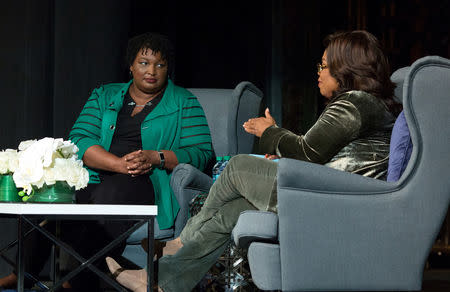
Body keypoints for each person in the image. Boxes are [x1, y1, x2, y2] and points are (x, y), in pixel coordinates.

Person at [105, 30, 401, 292]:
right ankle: (159, 282)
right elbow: (316, 152)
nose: (319, 72)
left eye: (324, 66)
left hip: (332, 198)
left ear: (345, 70)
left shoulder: (354, 103)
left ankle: (184, 239)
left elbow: (309, 153)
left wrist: (268, 132)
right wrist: (280, 141)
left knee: (238, 166)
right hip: (327, 192)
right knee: (234, 209)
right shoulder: (363, 104)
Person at [0, 32, 213, 291]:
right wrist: (117, 164)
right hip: (98, 172)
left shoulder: (184, 101)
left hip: (145, 180)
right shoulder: (104, 95)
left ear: (168, 69)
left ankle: (77, 279)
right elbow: (81, 139)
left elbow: (201, 152)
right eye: (144, 63)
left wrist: (155, 157)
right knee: (50, 196)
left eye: (160, 64)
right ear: (131, 65)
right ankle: (22, 273)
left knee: (110, 193)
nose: (151, 71)